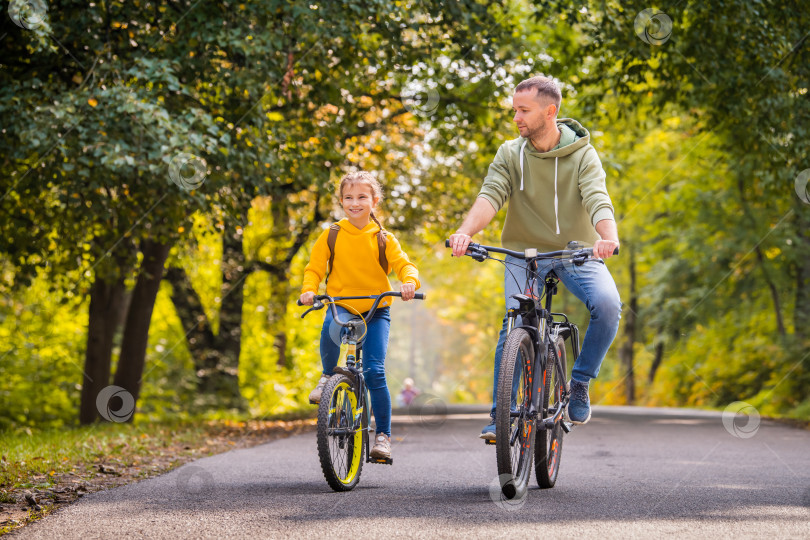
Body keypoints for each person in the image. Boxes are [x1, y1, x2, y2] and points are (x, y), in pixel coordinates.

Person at [448, 75, 621, 439]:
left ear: (550, 111)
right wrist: (467, 232)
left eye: (523, 110)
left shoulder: (583, 155)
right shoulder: (510, 153)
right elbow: (491, 195)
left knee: (608, 305)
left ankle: (580, 382)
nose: (516, 118)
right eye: (514, 110)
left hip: (577, 253)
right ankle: (502, 413)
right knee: (514, 323)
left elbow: (597, 198)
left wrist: (608, 237)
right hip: (523, 253)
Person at [300, 171, 421, 460]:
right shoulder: (332, 234)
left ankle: (383, 436)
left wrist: (409, 283)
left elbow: (405, 265)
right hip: (342, 303)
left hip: (377, 310)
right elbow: (315, 267)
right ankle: (327, 374)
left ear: (374, 201)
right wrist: (308, 289)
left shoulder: (383, 238)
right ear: (342, 201)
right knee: (330, 327)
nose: (355, 203)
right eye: (349, 198)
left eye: (362, 197)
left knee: (375, 371)